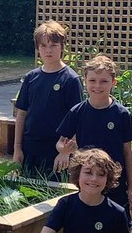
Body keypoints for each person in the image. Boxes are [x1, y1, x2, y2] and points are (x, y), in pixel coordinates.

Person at [53, 53, 132, 233]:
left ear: (113, 83)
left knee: (123, 227)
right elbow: (61, 142)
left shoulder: (121, 114)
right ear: (85, 82)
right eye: (92, 81)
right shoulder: (78, 112)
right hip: (89, 179)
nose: (97, 86)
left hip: (115, 182)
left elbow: (128, 152)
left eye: (103, 81)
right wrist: (64, 149)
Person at [13, 20, 83, 177]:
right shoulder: (31, 77)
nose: (48, 50)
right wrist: (17, 148)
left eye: (53, 45)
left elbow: (77, 120)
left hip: (57, 151)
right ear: (38, 48)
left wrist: (65, 152)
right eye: (43, 46)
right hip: (30, 148)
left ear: (62, 47)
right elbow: (21, 114)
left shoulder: (71, 79)